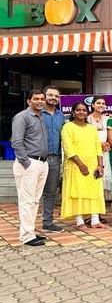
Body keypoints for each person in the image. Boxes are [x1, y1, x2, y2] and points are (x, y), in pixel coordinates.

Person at [11, 90, 50, 246]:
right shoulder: (22, 117)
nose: (40, 101)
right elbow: (16, 142)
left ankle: (29, 231)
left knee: (34, 201)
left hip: (42, 163)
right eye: (36, 99)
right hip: (29, 164)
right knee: (27, 201)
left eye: (42, 99)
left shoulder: (41, 117)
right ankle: (27, 236)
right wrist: (26, 163)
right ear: (28, 101)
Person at [60, 102, 106, 230]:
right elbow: (68, 148)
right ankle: (79, 221)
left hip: (92, 165)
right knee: (77, 192)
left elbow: (98, 148)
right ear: (73, 112)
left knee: (94, 192)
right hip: (75, 165)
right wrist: (81, 165)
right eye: (78, 110)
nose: (81, 112)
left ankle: (95, 220)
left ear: (87, 112)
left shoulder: (91, 128)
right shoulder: (68, 127)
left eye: (84, 110)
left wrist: (100, 165)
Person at [40, 85, 65, 233]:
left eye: (56, 96)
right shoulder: (36, 113)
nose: (53, 98)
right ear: (44, 96)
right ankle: (27, 226)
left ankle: (47, 222)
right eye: (50, 95)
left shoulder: (61, 116)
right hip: (37, 158)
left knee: (50, 192)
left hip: (55, 158)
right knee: (33, 193)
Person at [87, 96, 112, 202]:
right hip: (91, 151)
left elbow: (111, 135)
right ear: (93, 105)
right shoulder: (87, 119)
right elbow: (85, 137)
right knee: (93, 174)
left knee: (105, 175)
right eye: (98, 103)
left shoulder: (108, 119)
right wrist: (99, 144)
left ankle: (102, 202)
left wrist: (107, 143)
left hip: (105, 152)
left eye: (103, 103)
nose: (101, 105)